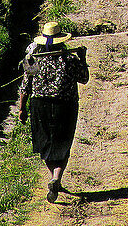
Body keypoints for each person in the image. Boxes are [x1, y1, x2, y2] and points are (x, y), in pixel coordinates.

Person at [18, 20, 89, 203]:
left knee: (46, 143)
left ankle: (53, 176)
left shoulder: (33, 60)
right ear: (61, 41)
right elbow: (84, 78)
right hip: (64, 106)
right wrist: (83, 58)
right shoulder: (69, 59)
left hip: (39, 106)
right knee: (62, 142)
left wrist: (21, 110)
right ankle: (57, 177)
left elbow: (25, 87)